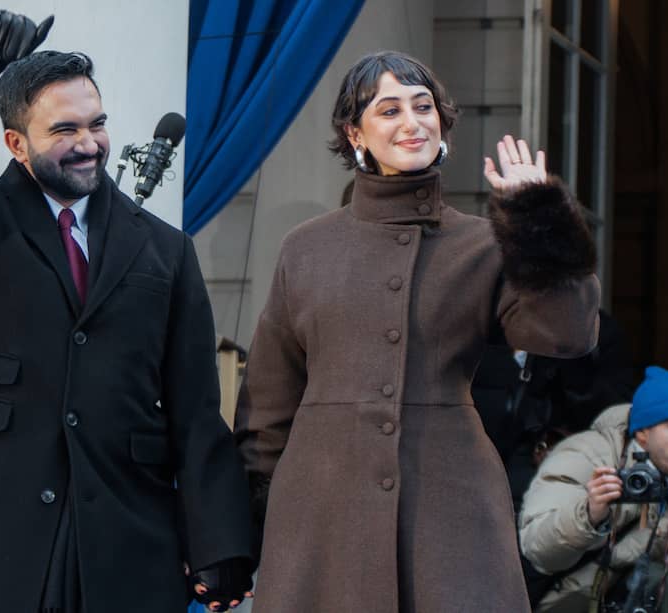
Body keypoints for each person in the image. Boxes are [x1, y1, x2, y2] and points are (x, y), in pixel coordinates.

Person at [0, 10, 252, 613]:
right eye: (65, 130)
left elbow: (195, 409)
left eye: (98, 124)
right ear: (16, 143)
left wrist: (220, 545)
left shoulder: (164, 249)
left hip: (124, 539)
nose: (89, 144)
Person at [233, 50, 600, 612]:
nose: (412, 122)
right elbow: (267, 409)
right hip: (321, 514)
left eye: (423, 106)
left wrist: (538, 219)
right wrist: (240, 536)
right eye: (389, 110)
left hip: (450, 511)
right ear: (355, 133)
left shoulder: (484, 243)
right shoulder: (306, 247)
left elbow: (569, 333)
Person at [519, 366, 668, 612]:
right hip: (563, 598)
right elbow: (540, 551)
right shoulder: (586, 455)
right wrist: (589, 514)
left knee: (662, 580)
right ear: (642, 432)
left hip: (626, 595)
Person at [473, 308, 635, 513]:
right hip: (482, 456)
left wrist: (572, 354)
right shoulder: (487, 322)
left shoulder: (595, 331)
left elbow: (612, 412)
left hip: (552, 459)